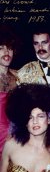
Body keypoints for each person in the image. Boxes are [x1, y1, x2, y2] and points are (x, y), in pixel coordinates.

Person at [0, 24, 20, 159]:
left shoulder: (19, 76)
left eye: (10, 48)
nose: (7, 52)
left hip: (16, 138)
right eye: (1, 48)